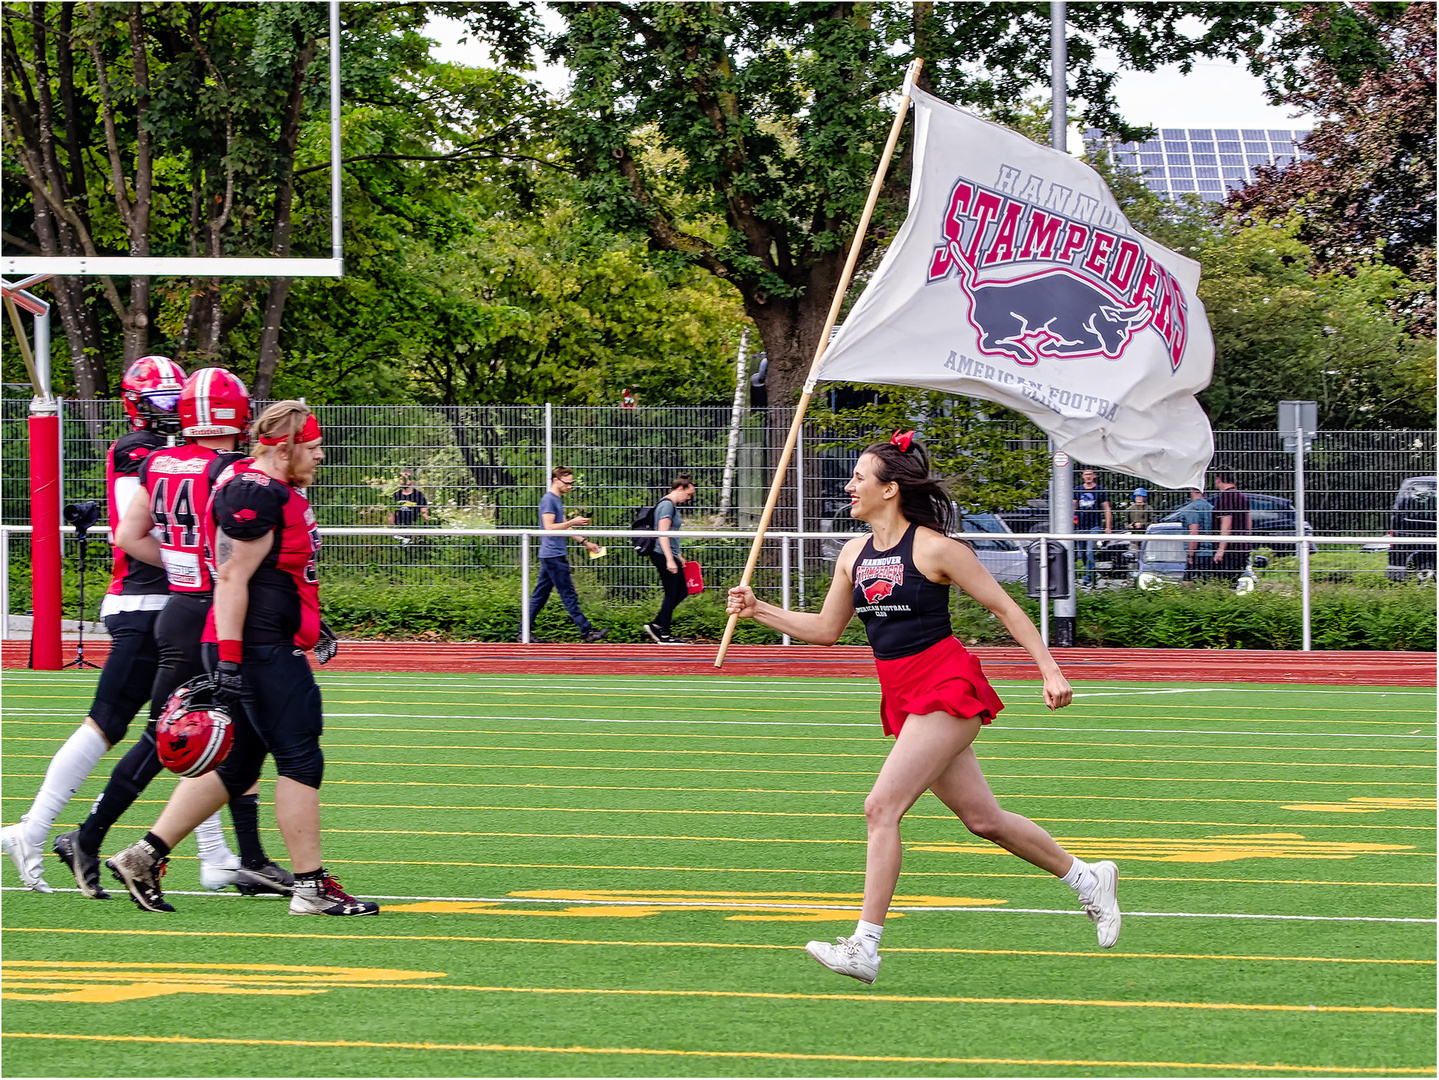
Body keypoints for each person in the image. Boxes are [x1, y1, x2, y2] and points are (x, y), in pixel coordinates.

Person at [725, 431, 1120, 986]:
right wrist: (760, 609)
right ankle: (1087, 877)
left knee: (880, 807)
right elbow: (826, 631)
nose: (850, 486)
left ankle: (865, 946)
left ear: (890, 490)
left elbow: (1005, 609)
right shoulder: (853, 554)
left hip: (945, 683)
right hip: (902, 691)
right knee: (983, 820)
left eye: (860, 477)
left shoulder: (935, 548)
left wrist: (1050, 669)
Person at [106, 401, 377, 916]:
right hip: (253, 647)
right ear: (284, 446)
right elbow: (231, 578)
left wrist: (311, 626)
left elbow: (281, 576)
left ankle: (143, 856)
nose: (321, 457)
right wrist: (230, 661)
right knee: (300, 755)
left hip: (261, 640)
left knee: (240, 764)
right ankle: (310, 888)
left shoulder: (270, 488)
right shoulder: (252, 491)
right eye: (313, 448)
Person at [1, 357, 242, 894]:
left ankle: (214, 853)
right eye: (161, 399)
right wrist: (193, 563)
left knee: (187, 727)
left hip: (168, 600)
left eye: (175, 398)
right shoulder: (140, 451)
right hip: (148, 600)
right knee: (119, 726)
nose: (170, 409)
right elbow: (136, 530)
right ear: (140, 403)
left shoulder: (169, 454)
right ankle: (42, 830)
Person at [73, 368, 292, 901]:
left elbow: (128, 535)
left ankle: (250, 858)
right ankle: (94, 839)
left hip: (179, 604)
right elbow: (237, 551)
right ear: (235, 414)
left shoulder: (157, 461)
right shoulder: (229, 469)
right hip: (210, 614)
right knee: (198, 733)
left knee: (204, 733)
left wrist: (179, 566)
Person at [528, 466, 607, 643]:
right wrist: (573, 521)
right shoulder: (549, 500)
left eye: (571, 483)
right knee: (568, 594)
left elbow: (564, 526)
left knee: (540, 597)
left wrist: (586, 542)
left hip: (551, 554)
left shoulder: (556, 499)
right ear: (556, 480)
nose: (570, 487)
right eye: (567, 483)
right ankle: (586, 631)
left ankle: (523, 631)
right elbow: (549, 527)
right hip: (553, 555)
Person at [643, 474, 697, 644]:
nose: (689, 498)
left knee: (681, 590)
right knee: (672, 593)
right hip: (662, 554)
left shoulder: (670, 506)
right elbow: (663, 533)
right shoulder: (666, 506)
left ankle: (658, 624)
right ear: (680, 489)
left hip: (669, 554)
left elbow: (671, 536)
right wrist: (669, 559)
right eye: (688, 494)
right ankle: (664, 634)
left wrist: (678, 555)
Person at [1162, 484, 1213, 582]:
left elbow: (1194, 532)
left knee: (1187, 583)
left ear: (1191, 490)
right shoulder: (1211, 508)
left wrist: (1190, 554)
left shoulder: (1191, 509)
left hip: (1198, 555)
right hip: (1211, 553)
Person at [1211, 469, 1252, 586]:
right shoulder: (1241, 496)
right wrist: (1246, 540)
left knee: (1223, 584)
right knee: (1234, 583)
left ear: (1219, 480)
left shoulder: (1226, 497)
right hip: (1242, 547)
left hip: (1229, 551)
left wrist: (1220, 550)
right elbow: (1248, 522)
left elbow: (1226, 523)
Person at [1073, 468, 1112, 586]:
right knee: (1081, 553)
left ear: (1094, 476)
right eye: (1086, 474)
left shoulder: (1100, 490)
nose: (1088, 476)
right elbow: (1073, 508)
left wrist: (1108, 527)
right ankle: (1091, 572)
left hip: (1095, 526)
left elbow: (1107, 509)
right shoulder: (1077, 490)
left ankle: (1088, 577)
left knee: (1090, 551)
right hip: (1080, 526)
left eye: (1090, 474)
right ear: (1082, 476)